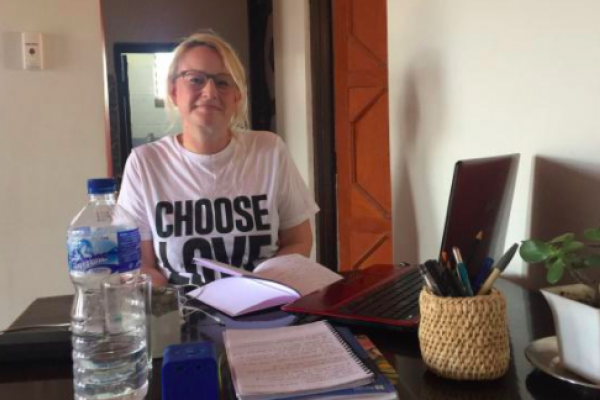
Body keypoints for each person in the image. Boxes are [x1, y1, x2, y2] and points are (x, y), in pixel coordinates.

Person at [118, 31, 319, 287]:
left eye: (223, 82)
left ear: (237, 96)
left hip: (263, 311)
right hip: (181, 317)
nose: (210, 91)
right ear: (173, 92)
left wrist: (262, 290)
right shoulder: (144, 163)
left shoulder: (270, 150)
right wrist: (172, 313)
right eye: (195, 79)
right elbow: (141, 265)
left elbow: (299, 240)